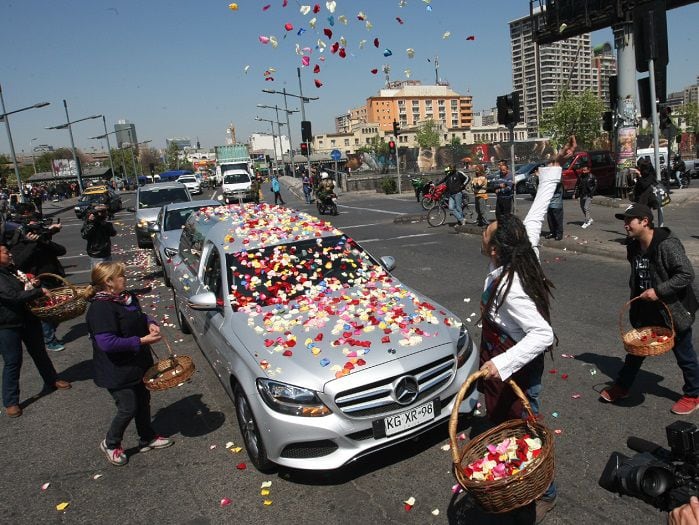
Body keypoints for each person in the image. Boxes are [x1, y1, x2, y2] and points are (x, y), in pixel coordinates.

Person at [478, 136, 577, 523]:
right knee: (513, 422)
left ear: (495, 250)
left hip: (518, 360)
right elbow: (535, 215)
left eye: (489, 231)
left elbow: (542, 336)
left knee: (527, 425)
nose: (486, 229)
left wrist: (501, 365)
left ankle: (543, 491)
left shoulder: (512, 287)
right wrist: (554, 166)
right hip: (506, 354)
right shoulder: (523, 249)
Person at [600, 203, 699, 414]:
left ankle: (693, 394)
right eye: (625, 221)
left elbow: (686, 274)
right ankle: (623, 387)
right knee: (635, 352)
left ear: (645, 221)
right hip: (646, 309)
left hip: (672, 309)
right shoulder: (633, 245)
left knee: (685, 354)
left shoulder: (667, 245)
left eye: (629, 221)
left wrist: (659, 291)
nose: (626, 225)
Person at [85, 262, 173, 466]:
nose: (125, 278)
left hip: (137, 363)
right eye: (121, 276)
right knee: (128, 407)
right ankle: (111, 443)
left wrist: (150, 323)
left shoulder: (127, 298)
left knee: (143, 400)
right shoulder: (101, 308)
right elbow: (106, 343)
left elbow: (140, 316)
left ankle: (147, 437)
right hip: (116, 369)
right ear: (109, 282)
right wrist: (141, 341)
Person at [0, 243, 71, 418]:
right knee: (12, 361)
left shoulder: (12, 269)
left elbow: (21, 288)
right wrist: (38, 291)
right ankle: (11, 401)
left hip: (28, 319)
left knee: (39, 353)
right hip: (7, 324)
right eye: (5, 252)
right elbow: (12, 296)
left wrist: (32, 283)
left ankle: (52, 380)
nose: (9, 254)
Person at [9, 214, 67, 352]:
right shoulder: (20, 244)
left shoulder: (42, 241)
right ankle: (50, 340)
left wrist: (43, 240)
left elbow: (61, 250)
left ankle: (47, 335)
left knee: (58, 312)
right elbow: (18, 262)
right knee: (46, 313)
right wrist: (31, 243)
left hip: (54, 278)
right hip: (38, 282)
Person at [572, 164, 596, 229]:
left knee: (586, 208)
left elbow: (595, 186)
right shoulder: (581, 176)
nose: (583, 172)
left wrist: (591, 193)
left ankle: (587, 221)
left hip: (588, 195)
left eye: (585, 170)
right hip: (582, 195)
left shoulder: (592, 177)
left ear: (588, 170)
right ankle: (590, 218)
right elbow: (577, 185)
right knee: (582, 208)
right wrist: (574, 194)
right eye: (582, 170)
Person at [545, 174, 564, 241]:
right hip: (549, 203)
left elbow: (554, 186)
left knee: (557, 219)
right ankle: (552, 232)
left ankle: (559, 234)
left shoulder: (558, 181)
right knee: (550, 219)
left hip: (557, 203)